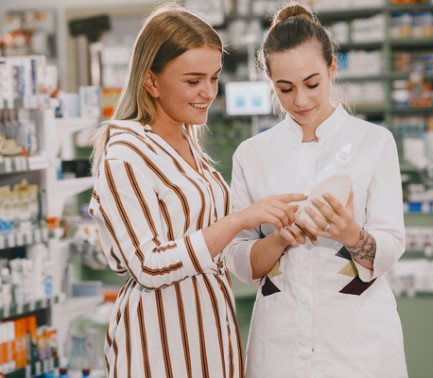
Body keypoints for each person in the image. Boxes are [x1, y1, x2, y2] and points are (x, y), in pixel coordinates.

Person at [88, 3, 304, 377]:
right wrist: (239, 220)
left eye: (214, 78)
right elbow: (149, 266)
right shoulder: (125, 156)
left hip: (210, 339)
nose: (208, 92)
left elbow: (210, 242)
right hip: (159, 347)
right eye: (193, 81)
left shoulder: (189, 146)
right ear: (151, 81)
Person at [225, 3, 408, 377]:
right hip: (279, 348)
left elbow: (390, 246)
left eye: (312, 84)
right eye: (285, 89)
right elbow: (239, 261)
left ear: (332, 67)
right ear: (270, 82)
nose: (301, 101)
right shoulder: (252, 154)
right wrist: (279, 239)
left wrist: (348, 233)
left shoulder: (374, 143)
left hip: (359, 346)